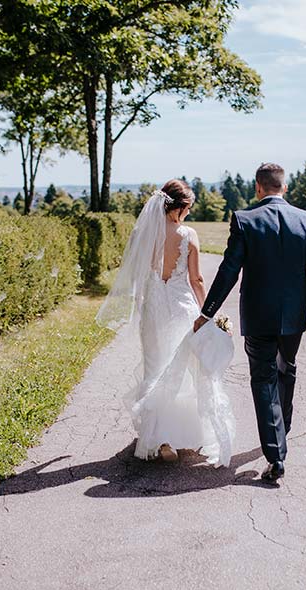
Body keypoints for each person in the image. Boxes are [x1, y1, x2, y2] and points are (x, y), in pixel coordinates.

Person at [194, 162, 306, 483]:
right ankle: (282, 425)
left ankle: (276, 454)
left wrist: (207, 311)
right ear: (284, 187)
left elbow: (229, 270)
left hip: (258, 315)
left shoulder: (245, 220)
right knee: (288, 368)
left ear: (258, 188)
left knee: (263, 379)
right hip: (294, 316)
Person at [97, 179, 235, 467]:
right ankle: (184, 432)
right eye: (187, 209)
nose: (187, 214)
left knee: (155, 366)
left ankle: (160, 440)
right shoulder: (188, 235)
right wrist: (207, 313)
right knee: (183, 368)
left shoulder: (144, 234)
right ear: (178, 208)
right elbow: (195, 279)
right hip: (181, 308)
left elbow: (137, 275)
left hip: (153, 309)